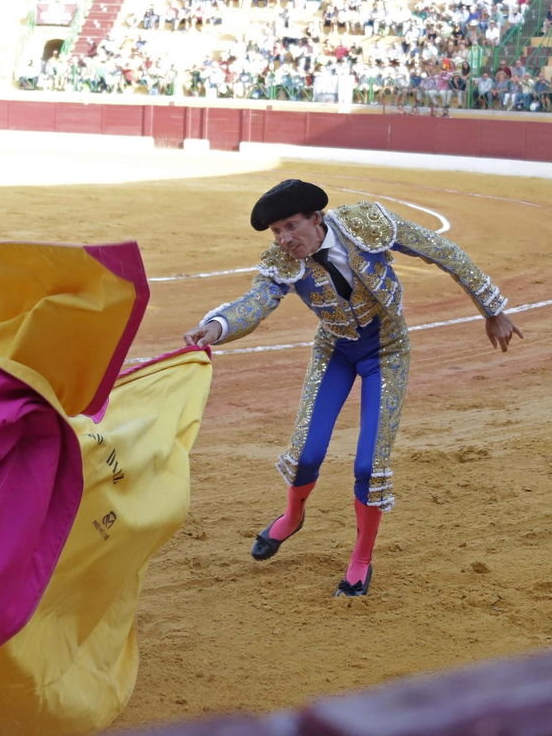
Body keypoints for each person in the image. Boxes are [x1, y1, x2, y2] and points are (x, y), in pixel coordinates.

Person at [182, 180, 522, 597]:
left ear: (316, 219)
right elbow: (256, 302)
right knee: (306, 454)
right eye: (276, 231)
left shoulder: (367, 224)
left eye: (291, 226)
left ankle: (361, 558)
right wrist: (216, 327)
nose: (285, 239)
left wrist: (492, 310)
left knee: (369, 466)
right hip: (335, 352)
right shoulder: (281, 261)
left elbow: (440, 250)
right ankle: (292, 518)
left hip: (387, 351)